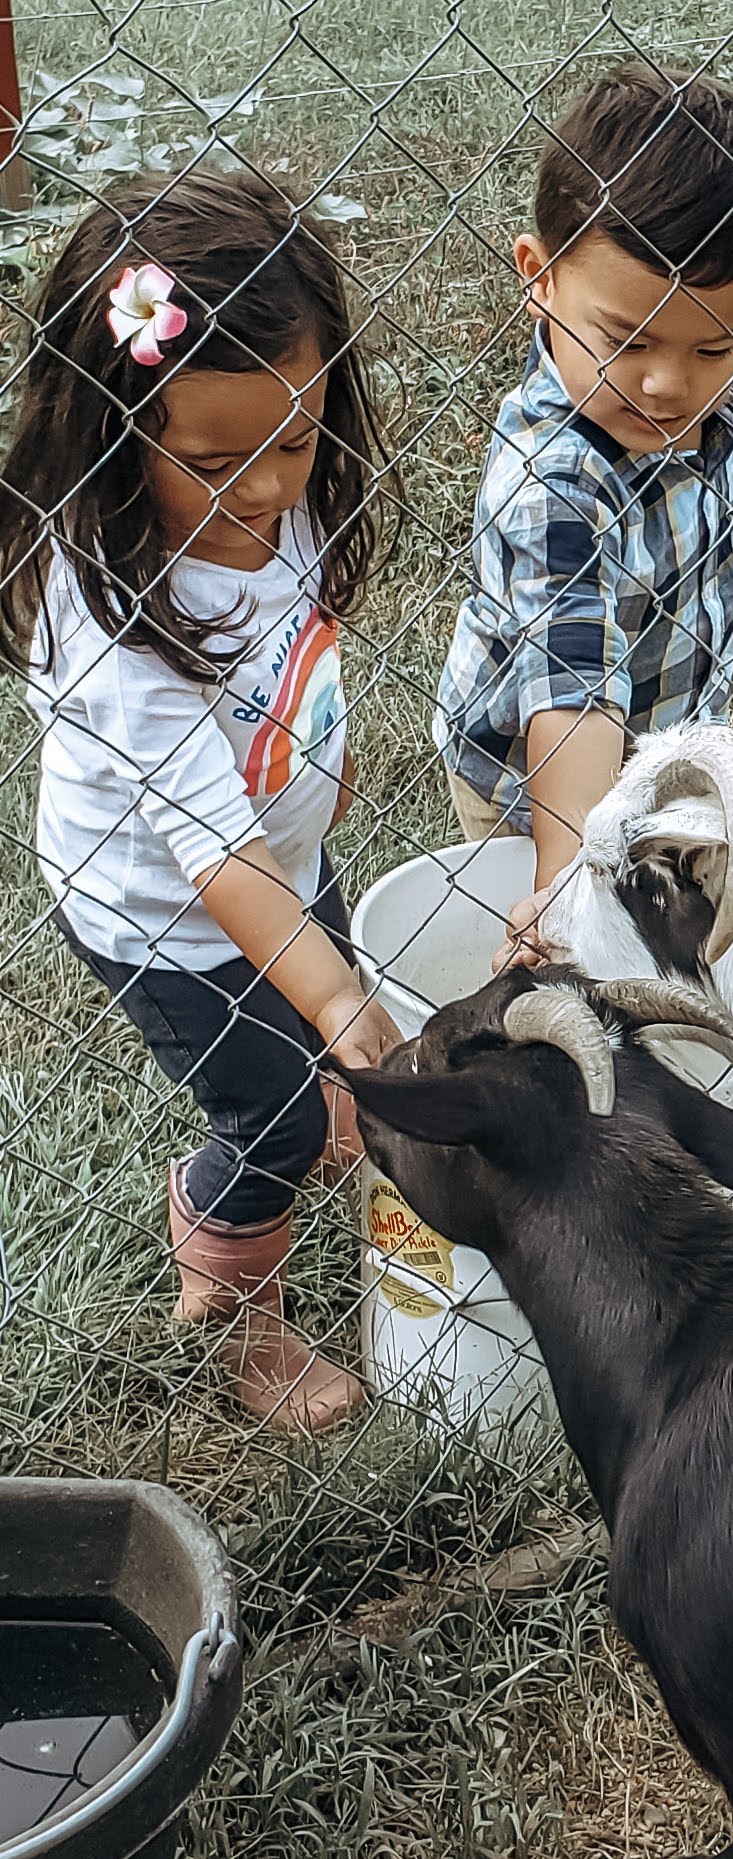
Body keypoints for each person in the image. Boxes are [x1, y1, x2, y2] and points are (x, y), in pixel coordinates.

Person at [0, 169, 402, 1433]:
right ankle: (234, 1317)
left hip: (279, 856)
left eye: (298, 438)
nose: (271, 491)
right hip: (165, 909)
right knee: (274, 1109)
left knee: (321, 1032)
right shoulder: (117, 621)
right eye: (218, 462)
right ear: (113, 439)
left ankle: (313, 1076)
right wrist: (337, 998)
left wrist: (327, 984)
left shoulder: (272, 494)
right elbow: (213, 857)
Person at [435, 64, 733, 959]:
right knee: (577, 964)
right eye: (628, 340)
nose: (668, 382)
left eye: (714, 344)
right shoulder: (556, 484)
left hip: (661, 743)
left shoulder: (692, 396)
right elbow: (570, 704)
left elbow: (702, 490)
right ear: (539, 277)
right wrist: (564, 887)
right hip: (538, 787)